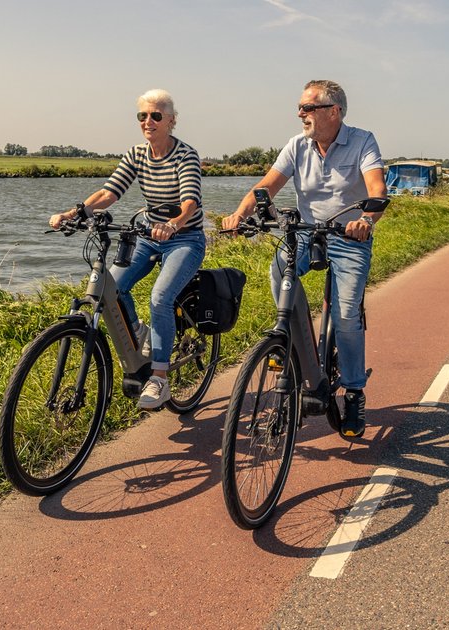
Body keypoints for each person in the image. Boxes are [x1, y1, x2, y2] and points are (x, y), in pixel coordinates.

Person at [221, 80, 387, 438]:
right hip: (306, 233)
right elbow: (266, 186)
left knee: (346, 316)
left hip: (349, 237)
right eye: (300, 107)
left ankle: (354, 392)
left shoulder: (362, 141)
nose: (300, 114)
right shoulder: (297, 145)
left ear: (333, 111)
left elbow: (377, 189)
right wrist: (240, 214)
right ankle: (295, 344)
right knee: (279, 269)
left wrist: (366, 220)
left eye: (308, 107)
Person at [49, 89, 205, 410]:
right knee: (112, 287)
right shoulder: (137, 154)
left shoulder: (185, 155)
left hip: (185, 237)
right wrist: (74, 213)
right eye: (142, 116)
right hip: (147, 234)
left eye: (156, 116)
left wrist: (173, 224)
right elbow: (110, 192)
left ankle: (159, 378)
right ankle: (139, 332)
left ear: (171, 121)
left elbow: (190, 201)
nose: (148, 121)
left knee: (160, 297)